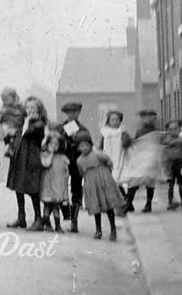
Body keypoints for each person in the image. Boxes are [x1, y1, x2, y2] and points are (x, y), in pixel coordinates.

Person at [74, 130, 124, 241]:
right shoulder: (79, 160)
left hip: (104, 181)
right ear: (78, 148)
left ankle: (113, 228)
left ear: (90, 144)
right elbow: (82, 172)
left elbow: (109, 162)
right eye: (82, 146)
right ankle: (98, 230)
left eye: (87, 145)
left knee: (108, 206)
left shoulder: (97, 154)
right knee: (96, 208)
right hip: (91, 184)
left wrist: (106, 175)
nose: (85, 148)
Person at [6, 96, 46, 230]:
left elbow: (26, 134)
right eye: (27, 107)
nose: (29, 110)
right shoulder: (25, 121)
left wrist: (28, 121)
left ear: (38, 109)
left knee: (32, 189)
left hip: (31, 158)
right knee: (19, 186)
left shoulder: (39, 123)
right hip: (21, 157)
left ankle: (38, 219)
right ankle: (21, 217)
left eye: (32, 108)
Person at [123, 109, 164, 213]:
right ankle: (129, 203)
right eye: (144, 118)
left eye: (149, 117)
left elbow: (158, 142)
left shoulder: (155, 130)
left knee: (149, 181)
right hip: (141, 157)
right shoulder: (140, 130)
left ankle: (148, 204)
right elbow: (137, 142)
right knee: (135, 179)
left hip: (151, 158)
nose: (146, 120)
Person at [59, 102, 89, 231]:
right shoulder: (61, 128)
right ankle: (66, 216)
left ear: (78, 113)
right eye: (69, 112)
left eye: (74, 112)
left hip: (76, 163)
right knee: (60, 189)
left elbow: (88, 147)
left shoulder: (82, 129)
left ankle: (74, 222)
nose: (72, 115)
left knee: (76, 190)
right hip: (63, 163)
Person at [40, 130, 69, 233]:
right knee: (47, 206)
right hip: (47, 185)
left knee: (56, 206)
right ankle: (47, 224)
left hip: (57, 186)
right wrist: (51, 154)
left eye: (56, 144)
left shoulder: (62, 157)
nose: (53, 145)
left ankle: (58, 225)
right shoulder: (45, 155)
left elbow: (66, 169)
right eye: (51, 143)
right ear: (47, 144)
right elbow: (46, 164)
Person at [97, 111, 131, 196]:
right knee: (109, 178)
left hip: (120, 157)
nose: (115, 122)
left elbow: (127, 143)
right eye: (113, 120)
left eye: (117, 120)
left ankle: (123, 198)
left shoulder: (122, 132)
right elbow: (101, 145)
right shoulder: (105, 132)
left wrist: (125, 140)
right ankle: (119, 198)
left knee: (117, 179)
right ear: (109, 121)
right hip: (108, 157)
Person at [161, 119, 182, 210]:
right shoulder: (166, 140)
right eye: (171, 129)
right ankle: (170, 201)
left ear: (179, 129)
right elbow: (165, 146)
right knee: (171, 185)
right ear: (168, 130)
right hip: (170, 164)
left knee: (181, 184)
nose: (173, 131)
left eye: (175, 128)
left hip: (180, 163)